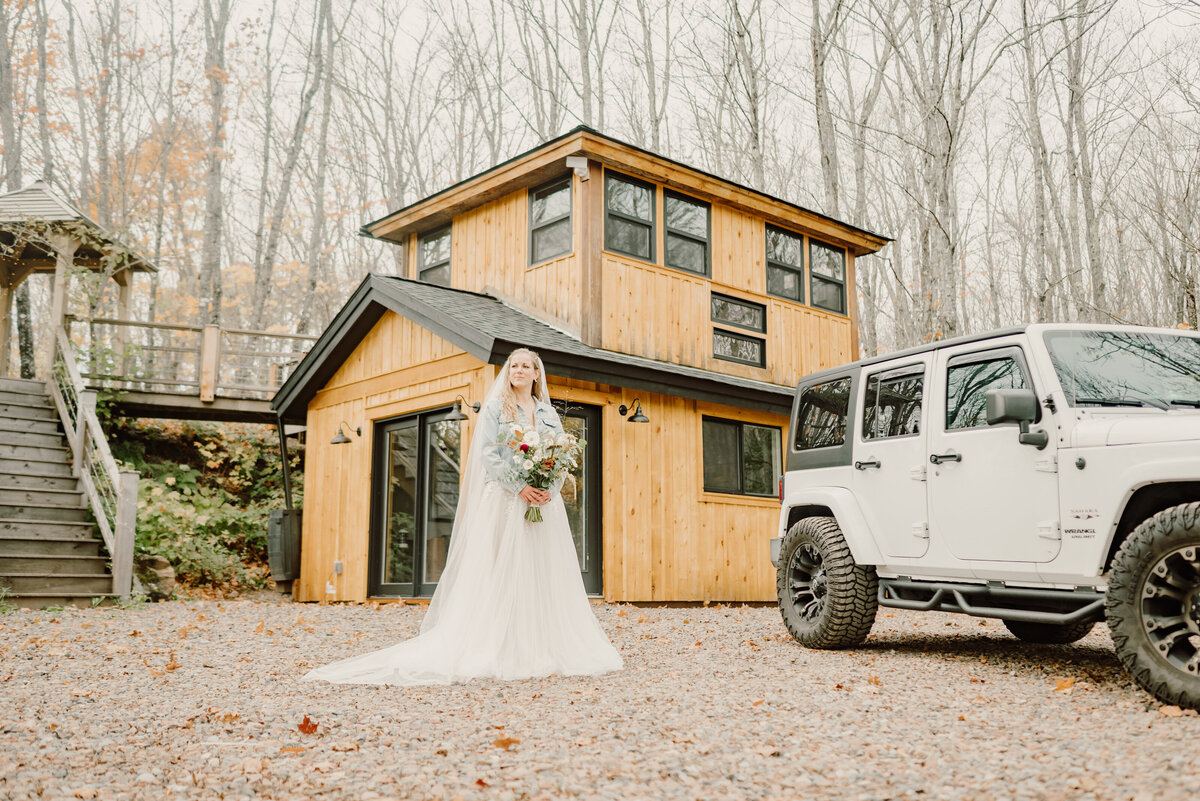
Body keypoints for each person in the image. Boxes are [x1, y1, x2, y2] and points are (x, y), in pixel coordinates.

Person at [303, 348, 623, 685]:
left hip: (543, 503)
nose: (518, 370)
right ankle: (501, 643)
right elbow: (488, 453)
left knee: (542, 568)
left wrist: (549, 487)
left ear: (536, 373)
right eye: (513, 365)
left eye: (525, 366)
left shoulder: (548, 413)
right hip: (506, 499)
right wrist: (519, 487)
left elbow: (560, 452)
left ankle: (545, 642)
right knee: (502, 567)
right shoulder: (498, 408)